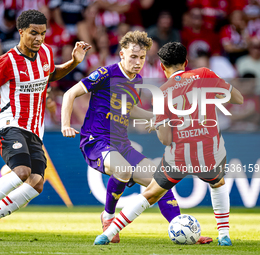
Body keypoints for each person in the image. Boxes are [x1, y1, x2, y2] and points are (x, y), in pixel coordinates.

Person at [61, 32, 212, 244]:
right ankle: (109, 217)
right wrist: (65, 125)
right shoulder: (106, 73)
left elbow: (129, 109)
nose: (137, 62)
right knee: (122, 170)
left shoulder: (137, 80)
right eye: (133, 56)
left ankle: (183, 229)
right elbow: (70, 94)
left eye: (141, 57)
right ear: (121, 54)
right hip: (97, 141)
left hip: (122, 144)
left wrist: (156, 117)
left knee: (161, 181)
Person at [93, 42, 244, 246]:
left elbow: (166, 139)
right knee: (217, 183)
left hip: (179, 156)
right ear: (186, 62)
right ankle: (224, 236)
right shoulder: (204, 74)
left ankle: (107, 234)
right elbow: (238, 98)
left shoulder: (162, 93)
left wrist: (159, 125)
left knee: (151, 194)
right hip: (209, 151)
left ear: (163, 68)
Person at [0, 9, 91, 241]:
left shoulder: (47, 53)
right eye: (33, 33)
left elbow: (52, 74)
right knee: (22, 172)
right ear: (21, 31)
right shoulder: (6, 61)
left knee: (37, 184)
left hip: (34, 130)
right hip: (9, 125)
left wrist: (73, 62)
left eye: (43, 33)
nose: (39, 38)